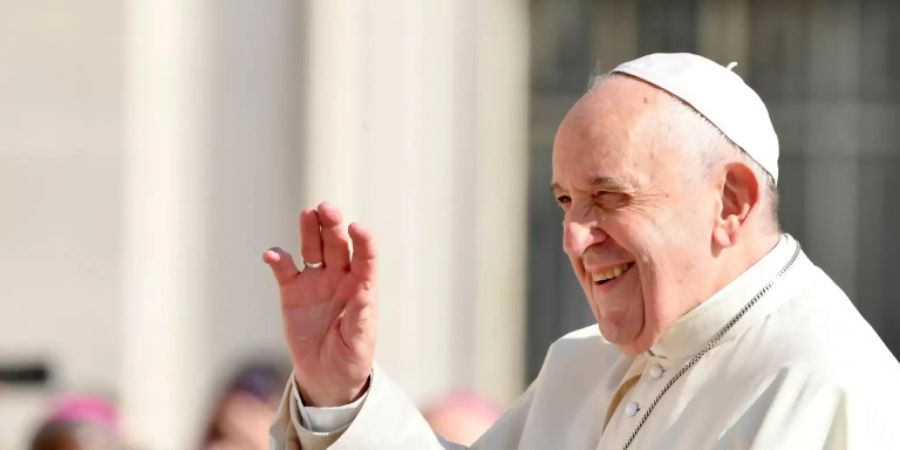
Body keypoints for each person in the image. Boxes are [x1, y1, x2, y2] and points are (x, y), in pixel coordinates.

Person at [263, 53, 900, 449]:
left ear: (731, 201)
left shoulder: (830, 388)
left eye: (609, 197)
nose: (574, 236)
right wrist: (338, 391)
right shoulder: (579, 367)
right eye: (566, 201)